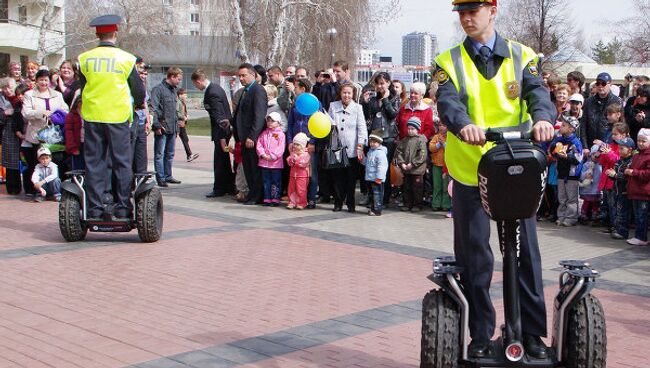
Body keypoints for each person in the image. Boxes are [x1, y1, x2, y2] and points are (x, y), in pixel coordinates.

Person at [435, 0, 555, 359]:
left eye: (475, 10)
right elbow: (447, 101)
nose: (467, 18)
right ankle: (480, 335)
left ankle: (532, 333)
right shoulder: (448, 61)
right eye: (462, 12)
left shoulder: (522, 55)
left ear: (493, 11)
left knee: (525, 255)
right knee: (475, 256)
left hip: (514, 164)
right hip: (472, 170)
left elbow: (538, 94)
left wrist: (543, 118)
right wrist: (462, 124)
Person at [77, 14, 146, 219]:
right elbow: (139, 91)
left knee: (94, 163)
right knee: (122, 162)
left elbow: (83, 86)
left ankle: (95, 209)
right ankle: (123, 206)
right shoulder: (126, 58)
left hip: (93, 116)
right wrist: (138, 103)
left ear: (97, 34)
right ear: (115, 33)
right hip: (117, 116)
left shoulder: (84, 58)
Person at [191, 68, 234, 198]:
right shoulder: (215, 88)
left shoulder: (212, 92)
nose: (196, 87)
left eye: (195, 84)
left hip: (221, 132)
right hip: (222, 131)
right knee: (224, 160)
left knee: (220, 160)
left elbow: (219, 115)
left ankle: (220, 188)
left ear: (198, 81)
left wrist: (221, 136)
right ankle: (228, 186)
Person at [327, 82, 367, 212]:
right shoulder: (333, 106)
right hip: (337, 148)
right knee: (338, 178)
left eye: (349, 93)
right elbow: (328, 124)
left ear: (353, 94)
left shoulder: (357, 108)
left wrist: (360, 145)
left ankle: (351, 203)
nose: (346, 95)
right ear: (340, 93)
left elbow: (362, 128)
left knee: (351, 179)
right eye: (344, 92)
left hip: (352, 148)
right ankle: (338, 202)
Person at [362, 72, 401, 205]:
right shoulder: (373, 98)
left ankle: (384, 198)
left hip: (388, 137)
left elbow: (392, 114)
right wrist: (365, 103)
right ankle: (372, 196)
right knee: (371, 166)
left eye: (383, 83)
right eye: (378, 83)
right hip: (375, 136)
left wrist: (385, 99)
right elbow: (369, 116)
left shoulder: (395, 98)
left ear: (388, 83)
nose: (380, 86)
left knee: (384, 169)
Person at [232, 63, 268, 205]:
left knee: (254, 168)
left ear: (252, 75)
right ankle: (252, 193)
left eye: (243, 75)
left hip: (252, 138)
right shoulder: (246, 91)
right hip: (243, 136)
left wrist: (252, 136)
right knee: (248, 168)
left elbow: (259, 116)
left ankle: (257, 196)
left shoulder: (257, 90)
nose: (241, 78)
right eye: (239, 76)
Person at [287, 77, 321, 208]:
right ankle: (295, 199)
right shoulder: (295, 104)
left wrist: (312, 142)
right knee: (295, 174)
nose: (294, 89)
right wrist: (290, 141)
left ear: (303, 89)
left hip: (308, 144)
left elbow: (318, 124)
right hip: (296, 143)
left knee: (310, 172)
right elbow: (290, 124)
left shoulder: (315, 103)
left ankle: (311, 198)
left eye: (295, 87)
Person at [151, 66, 183, 187]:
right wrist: (157, 125)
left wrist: (178, 128)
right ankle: (161, 177)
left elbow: (175, 111)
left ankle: (168, 175)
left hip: (172, 128)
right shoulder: (158, 90)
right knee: (160, 154)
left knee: (170, 153)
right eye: (178, 79)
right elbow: (153, 109)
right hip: (162, 127)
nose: (179, 81)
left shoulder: (174, 90)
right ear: (172, 76)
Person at [549, 116, 583, 227]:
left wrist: (566, 156)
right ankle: (561, 216)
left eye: (564, 125)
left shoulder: (576, 142)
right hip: (561, 172)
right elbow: (552, 150)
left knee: (572, 198)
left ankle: (571, 218)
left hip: (572, 174)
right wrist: (554, 148)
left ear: (571, 129)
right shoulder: (559, 140)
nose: (561, 127)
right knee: (562, 197)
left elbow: (578, 159)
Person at [580, 72, 623, 156]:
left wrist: (605, 144)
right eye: (598, 83)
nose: (600, 86)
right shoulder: (589, 101)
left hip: (608, 146)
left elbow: (619, 124)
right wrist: (584, 146)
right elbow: (583, 124)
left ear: (610, 84)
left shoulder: (617, 101)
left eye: (603, 83)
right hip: (590, 144)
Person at [395, 117, 428, 212]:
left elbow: (422, 154)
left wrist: (413, 164)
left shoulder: (420, 139)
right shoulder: (404, 140)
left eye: (412, 129)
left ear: (417, 129)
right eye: (408, 128)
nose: (410, 131)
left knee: (417, 188)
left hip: (417, 170)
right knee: (407, 187)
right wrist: (402, 163)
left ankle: (418, 204)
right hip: (406, 169)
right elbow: (399, 152)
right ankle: (407, 203)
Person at [606, 137, 635, 240]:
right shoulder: (619, 161)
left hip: (625, 191)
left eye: (622, 148)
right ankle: (617, 228)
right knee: (617, 211)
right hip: (617, 190)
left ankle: (622, 232)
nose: (619, 150)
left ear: (630, 150)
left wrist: (615, 175)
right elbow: (616, 175)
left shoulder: (631, 162)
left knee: (623, 212)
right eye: (619, 148)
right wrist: (610, 174)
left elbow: (627, 177)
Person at [625, 128, 650, 246]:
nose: (640, 143)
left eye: (643, 141)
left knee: (642, 216)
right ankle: (639, 236)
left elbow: (647, 174)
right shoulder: (636, 155)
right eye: (639, 140)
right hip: (635, 190)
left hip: (644, 191)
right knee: (638, 215)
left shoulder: (648, 156)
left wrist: (633, 172)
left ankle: (641, 237)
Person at [256, 112, 285, 206]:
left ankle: (275, 198)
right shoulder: (264, 133)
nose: (270, 123)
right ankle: (267, 198)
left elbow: (280, 148)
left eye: (272, 121)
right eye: (268, 121)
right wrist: (262, 154)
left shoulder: (280, 134)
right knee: (266, 181)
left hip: (276, 164)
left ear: (278, 122)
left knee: (275, 182)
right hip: (264, 163)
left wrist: (272, 156)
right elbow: (259, 144)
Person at [363, 131, 388, 216]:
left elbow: (382, 166)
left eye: (375, 142)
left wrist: (379, 177)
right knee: (372, 194)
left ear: (379, 142)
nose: (372, 144)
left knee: (377, 195)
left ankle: (377, 210)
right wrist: (362, 159)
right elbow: (367, 162)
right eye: (371, 142)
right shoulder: (370, 152)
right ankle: (373, 208)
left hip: (377, 179)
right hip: (370, 177)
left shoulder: (380, 153)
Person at [429, 123, 451, 211]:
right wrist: (438, 144)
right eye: (440, 125)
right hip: (436, 165)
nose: (442, 127)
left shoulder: (450, 138)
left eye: (444, 125)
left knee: (446, 186)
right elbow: (431, 148)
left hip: (447, 166)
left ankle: (446, 204)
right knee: (437, 185)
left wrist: (444, 144)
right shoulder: (436, 137)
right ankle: (436, 204)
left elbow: (451, 149)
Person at [578, 145, 603, 224]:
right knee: (587, 202)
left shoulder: (601, 165)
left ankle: (595, 215)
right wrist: (586, 174)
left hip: (597, 188)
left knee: (596, 203)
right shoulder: (587, 164)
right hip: (588, 189)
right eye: (593, 154)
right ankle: (583, 215)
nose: (595, 157)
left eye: (597, 155)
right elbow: (581, 175)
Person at [287, 132, 311, 209]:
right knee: (291, 188)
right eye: (294, 144)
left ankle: (302, 202)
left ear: (303, 146)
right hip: (293, 175)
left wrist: (296, 159)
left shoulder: (306, 154)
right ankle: (292, 202)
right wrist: (291, 159)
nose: (295, 146)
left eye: (298, 145)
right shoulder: (293, 153)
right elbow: (289, 161)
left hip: (302, 175)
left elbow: (303, 163)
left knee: (301, 189)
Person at [176, 88, 199, 162]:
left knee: (185, 139)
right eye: (184, 94)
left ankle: (189, 155)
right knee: (174, 139)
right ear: (180, 95)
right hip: (178, 124)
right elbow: (176, 113)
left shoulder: (182, 102)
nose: (186, 96)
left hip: (181, 124)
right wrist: (184, 117)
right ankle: (189, 155)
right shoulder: (178, 102)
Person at [64, 93, 84, 170]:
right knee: (78, 168)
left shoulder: (91, 113)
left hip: (89, 144)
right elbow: (69, 132)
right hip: (77, 145)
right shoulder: (71, 115)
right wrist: (73, 148)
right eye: (80, 102)